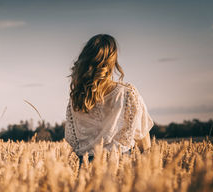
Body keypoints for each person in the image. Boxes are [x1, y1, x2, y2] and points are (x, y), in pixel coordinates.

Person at [65, 34, 154, 164]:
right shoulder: (127, 94)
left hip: (86, 169)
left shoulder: (77, 97)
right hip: (120, 166)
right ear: (112, 61)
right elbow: (144, 144)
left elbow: (73, 141)